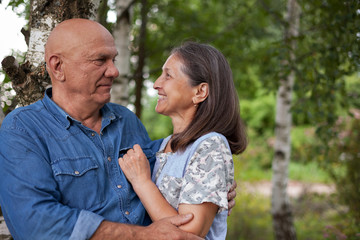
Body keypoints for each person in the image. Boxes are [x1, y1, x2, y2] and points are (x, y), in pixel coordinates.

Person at [0, 19, 236, 240]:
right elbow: (36, 222)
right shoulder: (23, 129)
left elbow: (174, 170)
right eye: (100, 60)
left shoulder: (126, 121)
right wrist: (143, 236)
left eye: (113, 59)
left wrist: (208, 187)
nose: (114, 71)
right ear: (58, 66)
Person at [118, 42, 247, 239]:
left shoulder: (211, 145)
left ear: (200, 92)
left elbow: (187, 233)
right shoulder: (162, 146)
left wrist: (142, 182)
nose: (156, 84)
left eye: (168, 75)